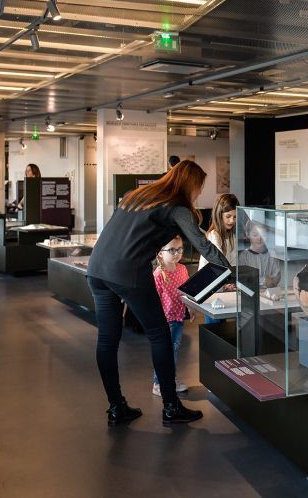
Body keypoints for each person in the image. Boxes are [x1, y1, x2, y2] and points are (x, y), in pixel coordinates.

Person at [87, 160, 229, 426]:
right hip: (127, 272)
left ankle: (117, 407)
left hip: (97, 269)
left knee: (107, 339)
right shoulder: (177, 208)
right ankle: (171, 407)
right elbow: (202, 244)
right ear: (191, 184)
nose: (199, 193)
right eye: (199, 187)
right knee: (159, 334)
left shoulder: (138, 196)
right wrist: (230, 269)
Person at [151, 235, 190, 398]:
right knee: (165, 352)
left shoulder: (182, 269)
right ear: (160, 253)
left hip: (179, 318)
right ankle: (159, 383)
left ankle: (170, 379)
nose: (177, 253)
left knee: (173, 351)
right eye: (172, 250)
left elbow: (187, 291)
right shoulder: (159, 274)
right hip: (165, 321)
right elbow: (155, 300)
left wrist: (191, 308)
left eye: (180, 249)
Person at [199, 193, 239, 270]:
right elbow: (218, 263)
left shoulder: (232, 237)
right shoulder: (214, 235)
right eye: (228, 216)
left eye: (235, 217)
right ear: (219, 215)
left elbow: (234, 263)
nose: (232, 221)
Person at [238, 220, 283, 289]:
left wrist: (270, 282)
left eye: (263, 235)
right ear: (248, 234)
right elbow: (244, 279)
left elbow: (276, 278)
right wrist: (265, 280)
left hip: (270, 291)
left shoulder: (272, 254)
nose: (259, 238)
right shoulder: (244, 256)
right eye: (255, 235)